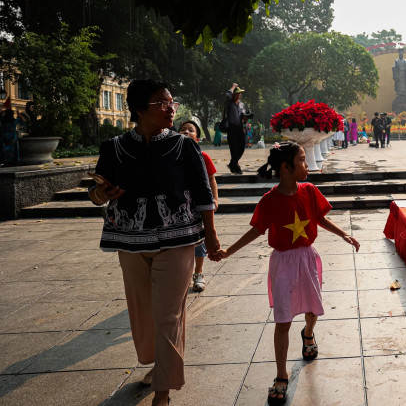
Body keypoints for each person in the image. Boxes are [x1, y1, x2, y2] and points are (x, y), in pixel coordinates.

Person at [88, 80, 220, 406]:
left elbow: (203, 194)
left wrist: (212, 235)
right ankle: (157, 362)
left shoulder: (183, 146)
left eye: (172, 102)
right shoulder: (114, 147)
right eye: (162, 103)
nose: (171, 108)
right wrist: (102, 194)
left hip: (178, 240)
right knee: (142, 314)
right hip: (129, 240)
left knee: (168, 315)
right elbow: (96, 191)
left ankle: (162, 392)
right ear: (139, 109)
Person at [215, 142, 360, 405]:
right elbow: (256, 231)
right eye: (302, 161)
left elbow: (320, 218)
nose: (306, 165)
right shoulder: (269, 201)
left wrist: (344, 234)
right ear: (285, 167)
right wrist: (229, 251)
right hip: (282, 264)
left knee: (313, 308)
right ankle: (281, 375)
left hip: (307, 257)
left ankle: (308, 333)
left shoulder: (310, 191)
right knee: (282, 319)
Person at [178, 120, 219, 292]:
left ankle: (199, 272)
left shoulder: (204, 157)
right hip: (180, 206)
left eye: (191, 130)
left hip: (199, 205)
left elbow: (211, 179)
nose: (186, 132)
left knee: (200, 241)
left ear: (198, 137)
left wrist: (215, 199)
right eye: (182, 129)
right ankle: (182, 275)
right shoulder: (171, 155)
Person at [224, 83, 251, 174]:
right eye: (237, 93)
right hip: (231, 129)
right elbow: (227, 95)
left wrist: (245, 118)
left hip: (240, 128)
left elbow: (242, 116)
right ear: (233, 94)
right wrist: (233, 87)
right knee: (234, 149)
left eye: (240, 93)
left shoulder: (242, 104)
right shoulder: (229, 104)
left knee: (242, 147)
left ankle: (232, 163)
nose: (239, 95)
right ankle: (236, 166)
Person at [1, 98, 19, 166]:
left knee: (4, 149)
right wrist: (19, 114)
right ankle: (12, 162)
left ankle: (5, 161)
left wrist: (4, 111)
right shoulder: (14, 122)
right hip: (12, 137)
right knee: (12, 150)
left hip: (4, 136)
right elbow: (24, 121)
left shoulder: (3, 121)